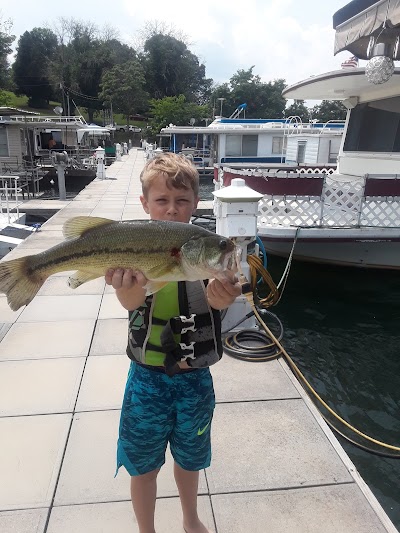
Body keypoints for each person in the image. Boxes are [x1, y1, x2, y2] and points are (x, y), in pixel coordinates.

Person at [105, 152, 241, 533]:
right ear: (145, 204)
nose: (171, 210)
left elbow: (218, 303)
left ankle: (190, 519)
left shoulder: (206, 252)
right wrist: (124, 288)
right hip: (146, 381)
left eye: (181, 201)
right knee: (143, 464)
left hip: (194, 381)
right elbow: (132, 305)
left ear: (196, 203)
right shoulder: (140, 247)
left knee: (190, 459)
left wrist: (223, 298)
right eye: (162, 201)